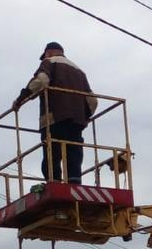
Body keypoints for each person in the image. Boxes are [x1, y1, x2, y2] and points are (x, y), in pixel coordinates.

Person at [11, 42, 96, 183]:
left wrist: (21, 99)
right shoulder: (79, 71)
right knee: (73, 153)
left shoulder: (48, 62)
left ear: (48, 52)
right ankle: (74, 183)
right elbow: (92, 101)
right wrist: (85, 117)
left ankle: (54, 182)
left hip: (54, 118)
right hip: (76, 121)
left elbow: (42, 81)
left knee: (52, 153)